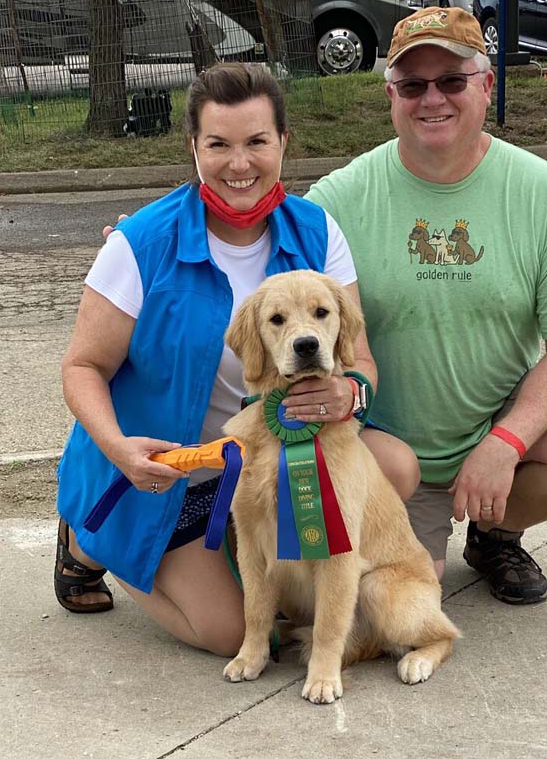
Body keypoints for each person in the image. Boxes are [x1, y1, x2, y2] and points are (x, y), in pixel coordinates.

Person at [54, 62, 419, 655]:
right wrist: (119, 449)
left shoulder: (317, 231)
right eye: (219, 145)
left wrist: (351, 393)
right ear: (194, 148)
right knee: (230, 634)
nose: (240, 164)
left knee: (395, 467)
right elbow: (81, 367)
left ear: (283, 144)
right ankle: (89, 538)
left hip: (272, 459)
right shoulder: (139, 243)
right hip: (169, 473)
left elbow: (361, 362)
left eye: (257, 142)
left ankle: (305, 578)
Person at [304, 7, 547, 604]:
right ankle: (414, 529)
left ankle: (494, 533)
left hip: (493, 431)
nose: (433, 99)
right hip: (388, 454)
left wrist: (506, 442)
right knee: (403, 612)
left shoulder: (545, 193)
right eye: (412, 85)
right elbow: (264, 277)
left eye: (451, 81)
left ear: (486, 84)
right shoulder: (337, 199)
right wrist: (144, 244)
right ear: (390, 94)